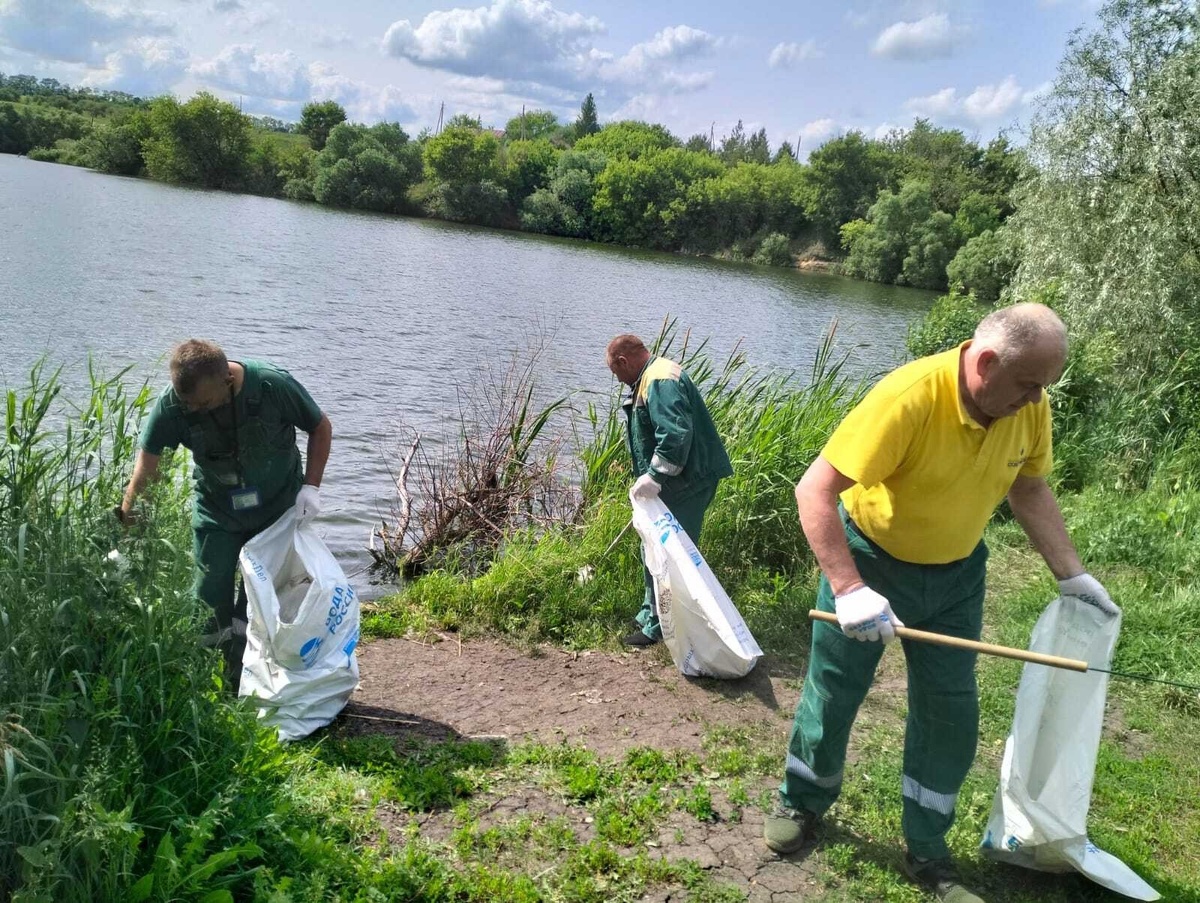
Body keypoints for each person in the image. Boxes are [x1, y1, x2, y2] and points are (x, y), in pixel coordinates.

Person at [762, 304, 1118, 903]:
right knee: (834, 687)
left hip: (956, 576)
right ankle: (801, 801)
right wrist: (849, 591)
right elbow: (815, 490)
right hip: (870, 560)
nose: (1037, 400)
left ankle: (928, 850)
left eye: (1045, 387)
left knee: (950, 711)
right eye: (1030, 384)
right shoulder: (908, 397)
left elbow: (1028, 488)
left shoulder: (1028, 407)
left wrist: (1073, 577)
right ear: (985, 363)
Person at [116, 340, 332, 691]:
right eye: (188, 403)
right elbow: (145, 473)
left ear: (227, 380)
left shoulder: (271, 386)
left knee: (259, 599)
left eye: (203, 402)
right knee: (207, 594)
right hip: (217, 511)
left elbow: (320, 427)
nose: (195, 410)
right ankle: (204, 682)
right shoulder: (173, 406)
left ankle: (246, 680)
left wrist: (312, 487)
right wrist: (127, 537)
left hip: (276, 510)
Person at [606, 334, 733, 647]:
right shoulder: (651, 376)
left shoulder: (660, 380)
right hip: (678, 480)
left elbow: (675, 436)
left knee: (668, 553)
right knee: (653, 546)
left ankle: (661, 627)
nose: (618, 380)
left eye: (615, 372)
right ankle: (652, 612)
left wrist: (654, 476)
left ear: (623, 362)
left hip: (687, 482)